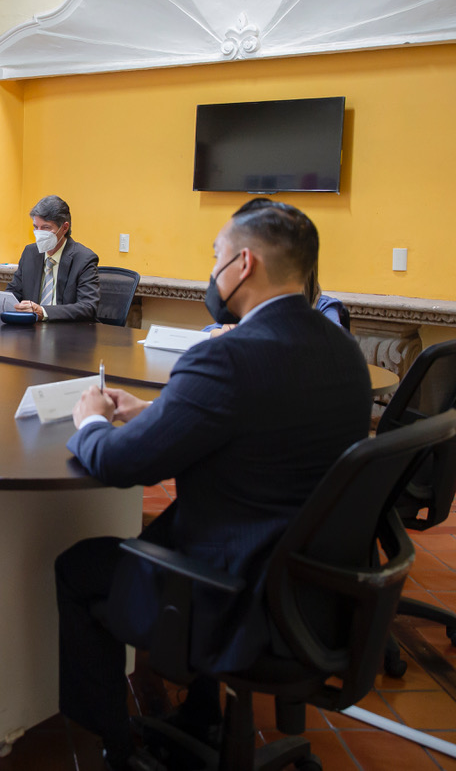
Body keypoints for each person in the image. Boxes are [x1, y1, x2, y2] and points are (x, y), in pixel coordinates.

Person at [55, 200, 371, 770]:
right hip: (317, 591)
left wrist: (92, 423)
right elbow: (260, 426)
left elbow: (121, 465)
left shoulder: (227, 355)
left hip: (232, 595)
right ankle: (201, 712)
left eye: (216, 256)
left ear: (243, 263)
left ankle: (115, 746)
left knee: (77, 568)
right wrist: (161, 411)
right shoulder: (345, 352)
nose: (212, 271)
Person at [204, 198, 350, 336]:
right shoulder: (248, 304)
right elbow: (207, 332)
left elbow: (332, 339)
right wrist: (220, 332)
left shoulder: (324, 306)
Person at [0, 195, 99, 322]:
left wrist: (43, 311)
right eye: (36, 227)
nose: (39, 233)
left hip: (68, 330)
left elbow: (88, 307)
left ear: (64, 228)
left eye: (46, 228)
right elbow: (14, 291)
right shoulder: (30, 253)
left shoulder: (84, 259)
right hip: (31, 329)